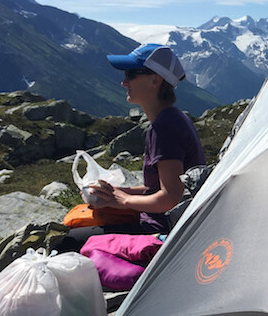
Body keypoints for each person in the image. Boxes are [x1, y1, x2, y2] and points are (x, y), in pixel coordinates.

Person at [60, 44, 206, 249]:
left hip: (160, 231)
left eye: (131, 74)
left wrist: (123, 200)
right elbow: (159, 188)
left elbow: (171, 197)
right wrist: (118, 191)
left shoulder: (164, 126)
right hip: (164, 222)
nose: (123, 82)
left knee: (67, 242)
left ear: (156, 80)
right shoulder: (173, 118)